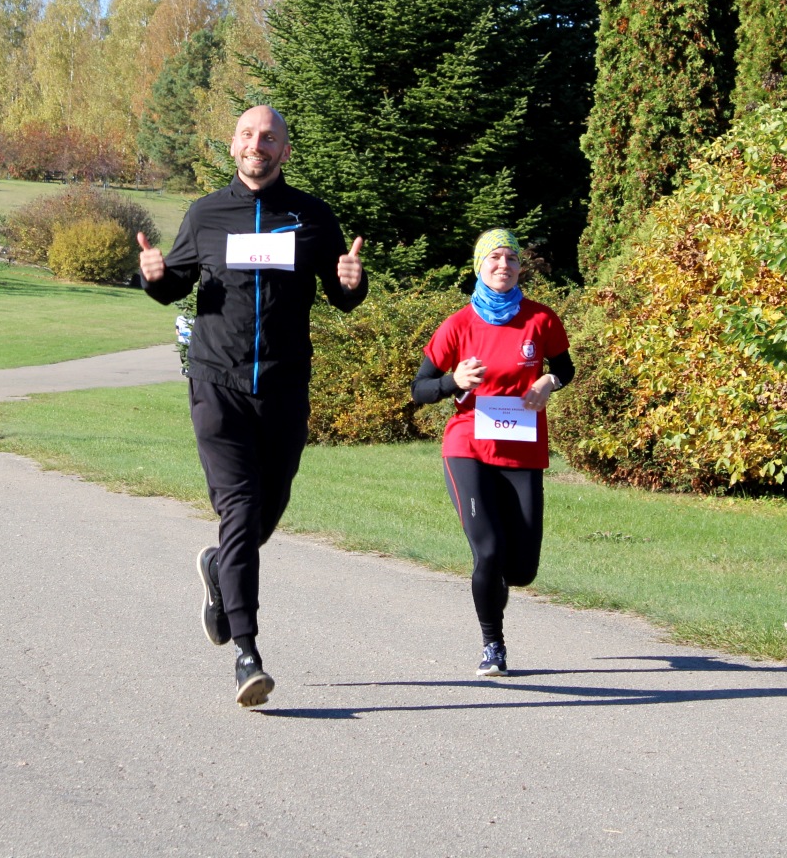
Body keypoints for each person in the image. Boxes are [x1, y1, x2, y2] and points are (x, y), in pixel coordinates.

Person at [138, 104, 368, 707]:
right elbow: (176, 283)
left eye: (268, 137)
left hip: (285, 388)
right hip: (218, 384)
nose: (256, 145)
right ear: (234, 144)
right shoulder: (206, 214)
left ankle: (220, 567)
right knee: (240, 510)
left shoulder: (312, 217)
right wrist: (155, 276)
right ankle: (247, 653)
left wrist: (352, 282)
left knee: (266, 513)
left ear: (284, 151)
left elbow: (340, 294)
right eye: (247, 135)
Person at [411, 229, 574, 678]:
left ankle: (497, 585)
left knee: (521, 570)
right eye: (494, 258)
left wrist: (549, 382)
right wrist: (453, 382)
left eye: (511, 258)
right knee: (488, 550)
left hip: (523, 447)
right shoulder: (459, 324)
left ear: (520, 267)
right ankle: (493, 645)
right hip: (468, 446)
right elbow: (419, 388)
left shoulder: (541, 319)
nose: (503, 265)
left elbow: (565, 368)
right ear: (479, 266)